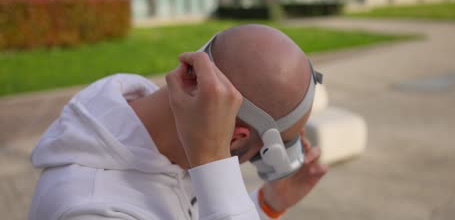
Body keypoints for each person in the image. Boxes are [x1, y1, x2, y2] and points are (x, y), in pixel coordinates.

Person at [28, 24, 327, 220]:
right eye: (258, 154)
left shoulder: (158, 143)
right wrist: (212, 161)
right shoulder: (91, 210)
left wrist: (266, 204)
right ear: (234, 138)